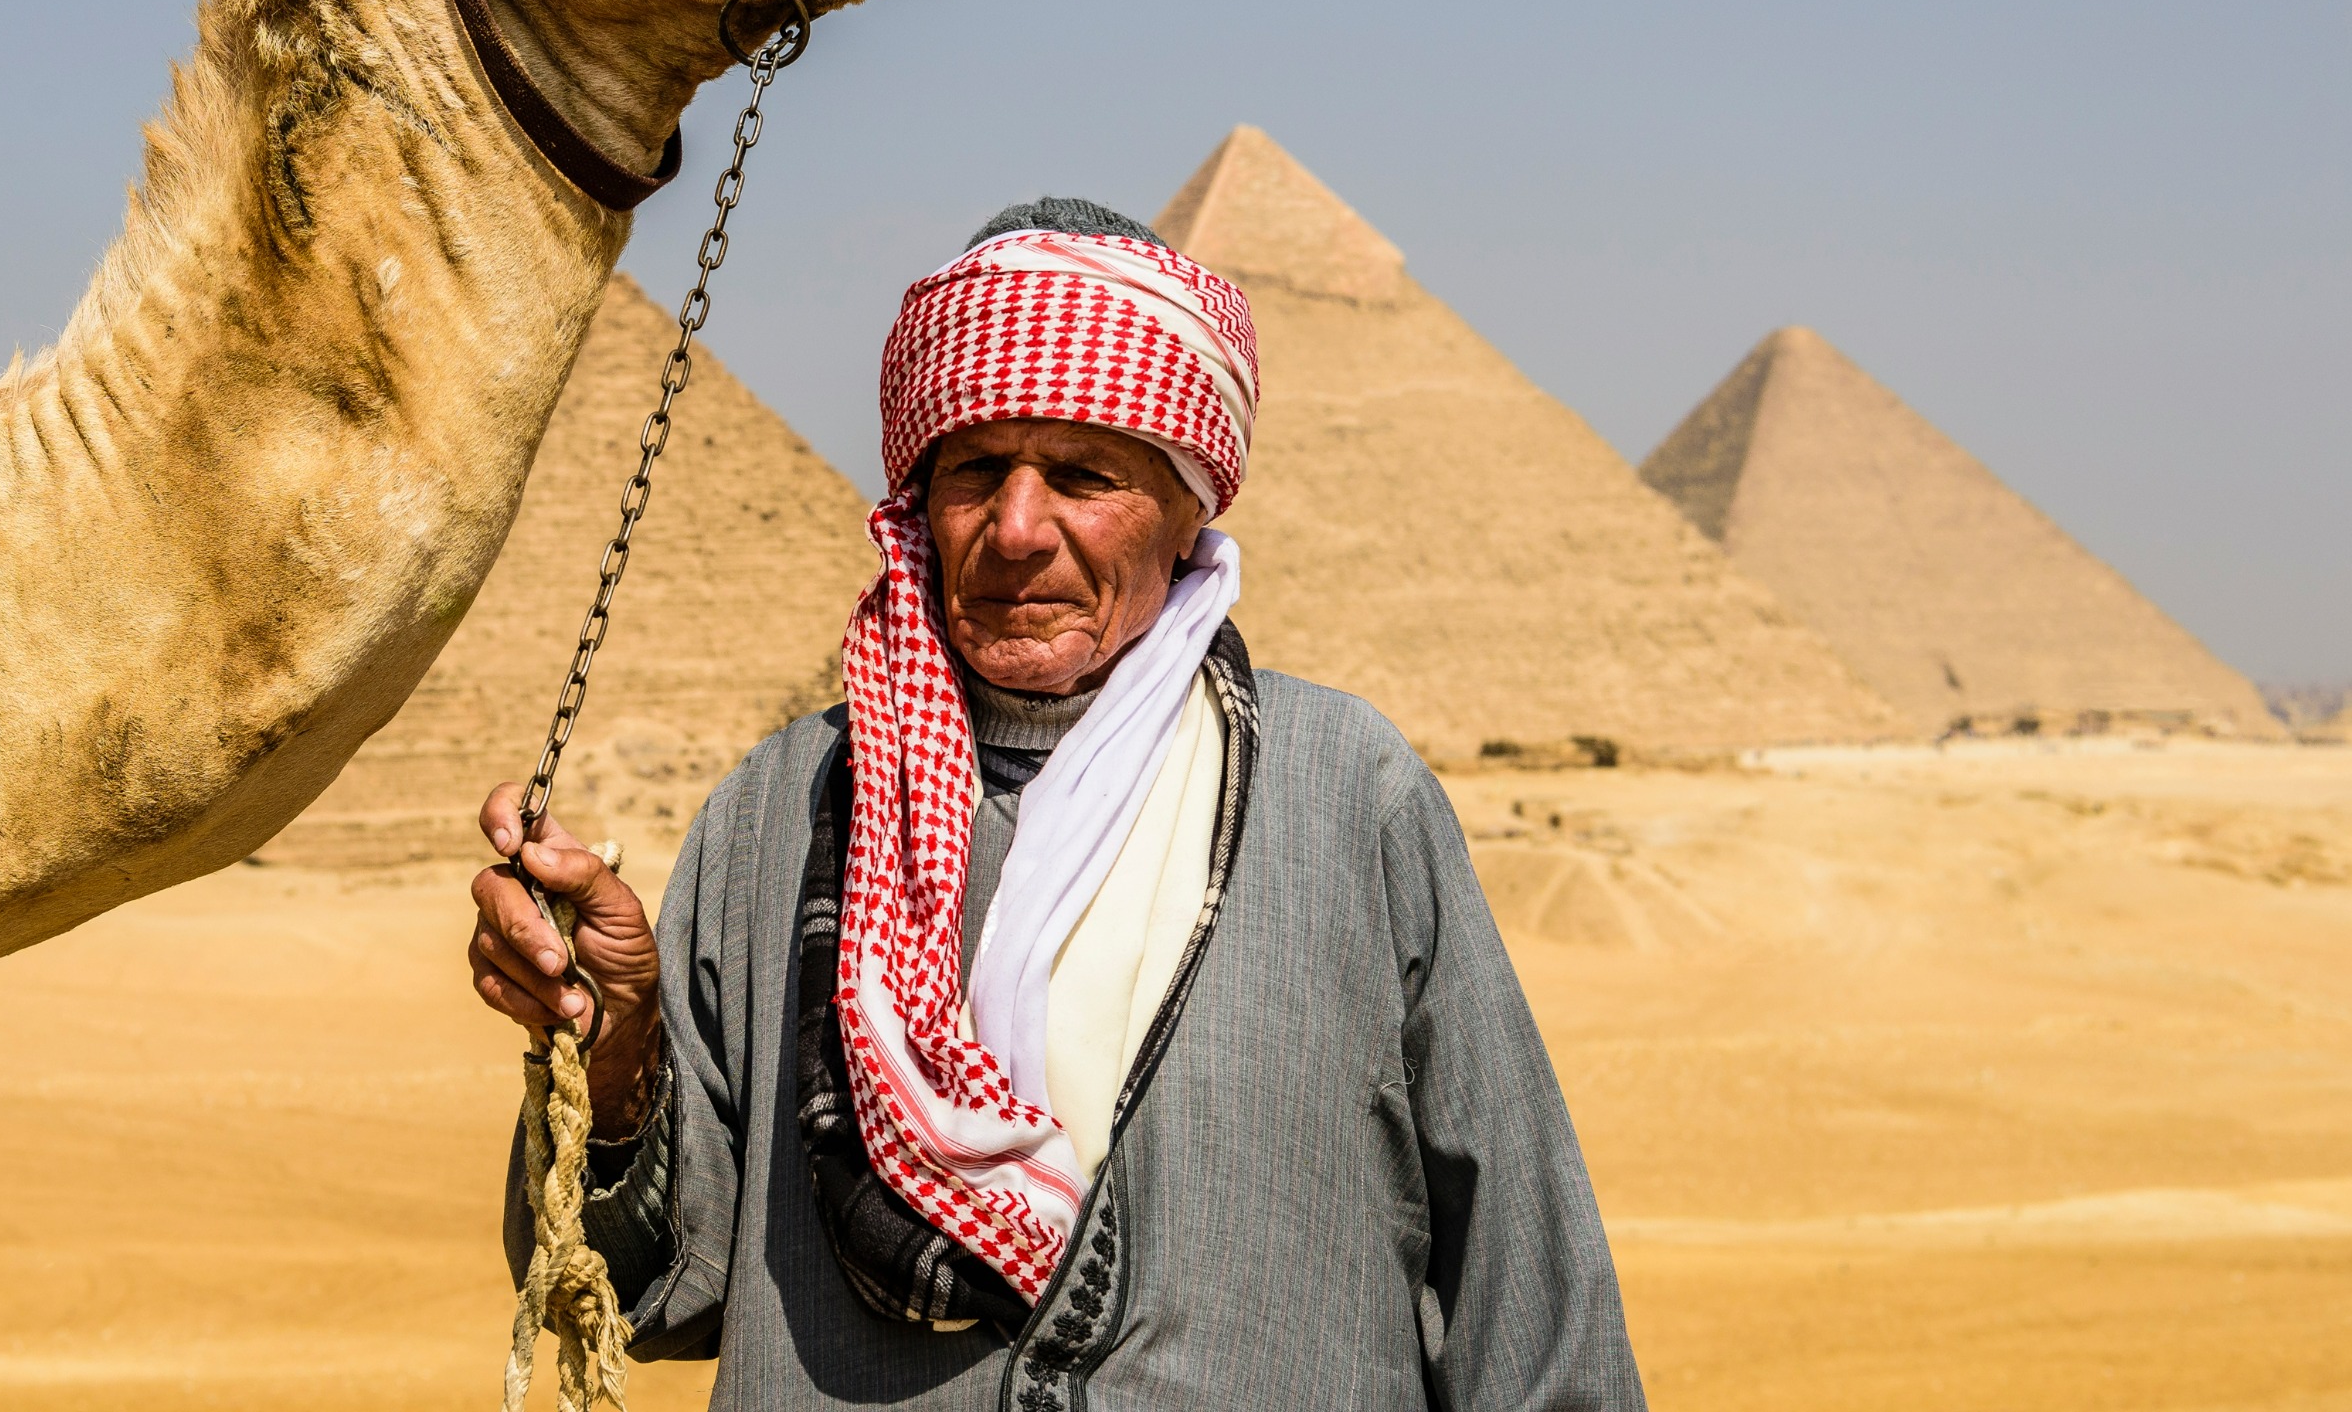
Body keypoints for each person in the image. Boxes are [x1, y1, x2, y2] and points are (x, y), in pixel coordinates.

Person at [468, 198, 1645, 1410]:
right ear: (922, 496)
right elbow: (638, 1289)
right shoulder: (778, 816)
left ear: (1191, 503)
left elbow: (1534, 1307)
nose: (1018, 529)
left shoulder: (1351, 797)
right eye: (977, 470)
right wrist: (613, 1055)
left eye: (1084, 474)